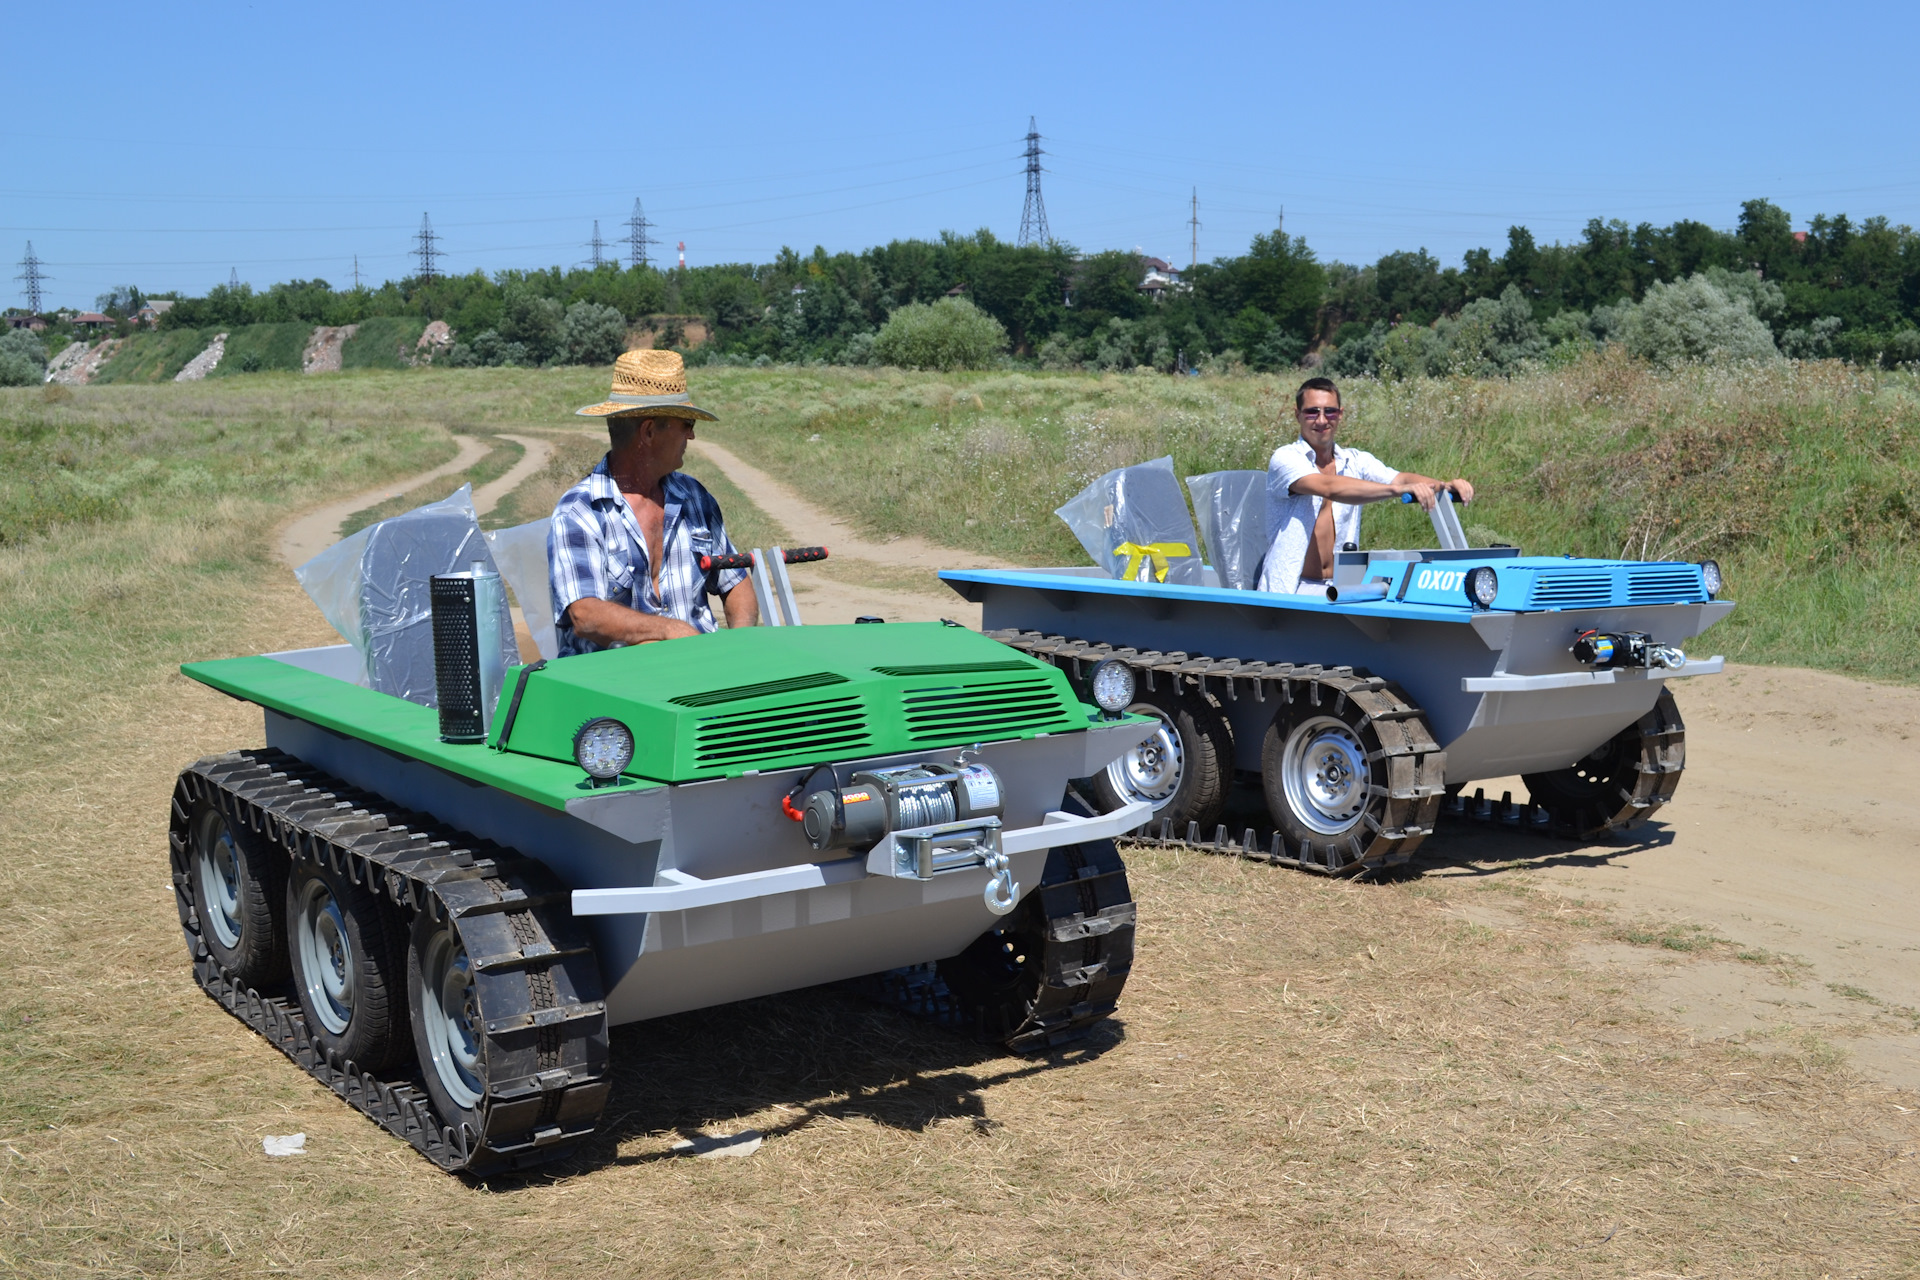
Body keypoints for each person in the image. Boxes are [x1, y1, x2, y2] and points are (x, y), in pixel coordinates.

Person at [548, 349, 757, 655]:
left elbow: (736, 582)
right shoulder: (581, 511)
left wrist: (739, 650)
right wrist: (669, 631)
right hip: (614, 686)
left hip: (699, 671)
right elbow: (586, 615)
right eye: (685, 423)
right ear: (648, 432)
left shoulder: (695, 498)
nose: (692, 435)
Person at [1257, 376, 1475, 595]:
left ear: (1340, 414)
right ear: (1298, 415)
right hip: (1291, 588)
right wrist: (1397, 491)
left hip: (1341, 587)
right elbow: (1328, 486)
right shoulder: (1285, 458)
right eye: (1312, 412)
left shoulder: (1356, 461)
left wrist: (1444, 486)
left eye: (1329, 412)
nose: (1322, 420)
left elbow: (1400, 479)